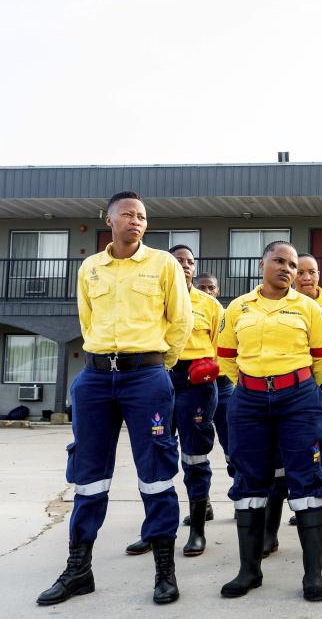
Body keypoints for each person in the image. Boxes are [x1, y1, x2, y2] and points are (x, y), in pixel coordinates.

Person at [37, 191, 193, 606]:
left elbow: (180, 321)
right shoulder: (90, 268)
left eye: (142, 215)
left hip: (146, 377)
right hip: (94, 379)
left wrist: (157, 365)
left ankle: (164, 570)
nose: (136, 221)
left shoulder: (163, 265)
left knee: (157, 471)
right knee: (89, 474)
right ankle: (78, 569)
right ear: (108, 220)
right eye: (128, 214)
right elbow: (87, 319)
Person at [216, 241, 322, 601]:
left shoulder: (309, 309)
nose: (287, 269)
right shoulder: (238, 308)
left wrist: (291, 386)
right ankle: (248, 571)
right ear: (262, 263)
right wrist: (255, 386)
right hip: (249, 399)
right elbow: (225, 357)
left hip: (299, 400)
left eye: (293, 265)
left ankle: (312, 575)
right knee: (249, 480)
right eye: (279, 261)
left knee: (306, 479)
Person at [125, 246, 223, 558]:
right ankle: (155, 530)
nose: (185, 266)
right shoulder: (149, 300)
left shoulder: (209, 305)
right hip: (155, 378)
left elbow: (223, 349)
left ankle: (196, 530)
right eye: (178, 261)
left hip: (196, 383)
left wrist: (209, 369)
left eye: (191, 262)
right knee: (155, 454)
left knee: (194, 457)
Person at [270, 254, 322, 559]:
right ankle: (269, 534)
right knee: (277, 461)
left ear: (319, 274)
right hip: (284, 393)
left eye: (312, 272)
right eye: (300, 271)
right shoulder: (277, 302)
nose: (305, 277)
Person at [194, 272, 237, 493]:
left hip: (224, 385)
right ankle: (202, 501)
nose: (207, 292)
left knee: (232, 443)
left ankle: (241, 494)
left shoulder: (228, 314)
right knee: (196, 446)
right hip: (196, 386)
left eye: (211, 288)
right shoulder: (187, 312)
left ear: (217, 290)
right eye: (202, 287)